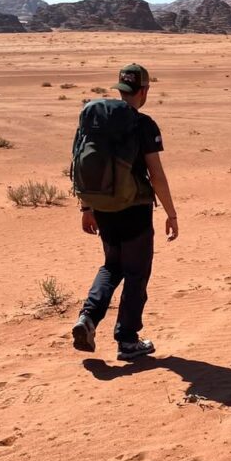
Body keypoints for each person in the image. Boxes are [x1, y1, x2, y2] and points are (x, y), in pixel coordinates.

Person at [71, 64, 179, 361]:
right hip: (134, 210)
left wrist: (87, 207)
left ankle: (88, 318)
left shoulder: (94, 120)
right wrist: (171, 213)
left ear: (120, 89)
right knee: (136, 273)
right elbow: (156, 175)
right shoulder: (142, 124)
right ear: (143, 91)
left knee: (111, 265)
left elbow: (79, 163)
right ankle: (127, 340)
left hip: (102, 207)